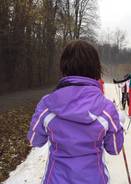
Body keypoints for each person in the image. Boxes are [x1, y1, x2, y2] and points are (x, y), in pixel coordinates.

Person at [27, 40, 124, 184]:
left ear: (63, 67)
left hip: (55, 179)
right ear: (96, 68)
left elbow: (34, 141)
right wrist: (119, 125)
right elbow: (114, 148)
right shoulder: (107, 108)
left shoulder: (46, 104)